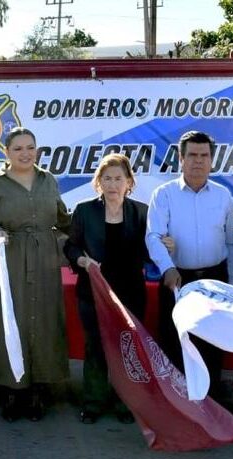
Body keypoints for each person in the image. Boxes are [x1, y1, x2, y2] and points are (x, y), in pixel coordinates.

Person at [0, 126, 71, 422]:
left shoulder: (48, 179)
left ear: (37, 150)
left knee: (44, 318)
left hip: (44, 260)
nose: (25, 153)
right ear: (6, 152)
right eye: (18, 148)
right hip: (10, 258)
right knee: (8, 318)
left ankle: (38, 387)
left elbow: (62, 218)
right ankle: (12, 390)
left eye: (30, 147)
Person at [145, 130, 233, 403]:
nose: (198, 161)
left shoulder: (223, 195)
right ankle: (178, 404)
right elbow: (153, 236)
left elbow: (231, 242)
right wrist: (167, 267)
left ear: (211, 160)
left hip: (214, 280)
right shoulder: (164, 194)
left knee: (211, 343)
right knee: (176, 343)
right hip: (177, 280)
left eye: (204, 155)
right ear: (181, 158)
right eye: (193, 155)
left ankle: (211, 404)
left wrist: (231, 284)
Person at [64, 153, 148, 425]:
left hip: (130, 292)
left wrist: (166, 245)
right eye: (107, 178)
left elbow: (149, 251)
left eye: (118, 179)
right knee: (96, 347)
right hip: (94, 291)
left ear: (129, 182)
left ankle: (126, 404)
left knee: (127, 348)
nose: (112, 184)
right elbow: (71, 246)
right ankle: (93, 403)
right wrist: (82, 261)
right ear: (98, 181)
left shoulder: (141, 212)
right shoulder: (84, 211)